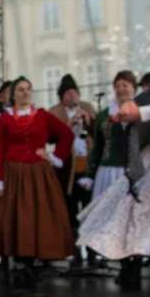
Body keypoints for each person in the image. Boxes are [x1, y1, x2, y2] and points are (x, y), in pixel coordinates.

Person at [0, 77, 75, 283]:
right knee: (16, 215)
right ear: (13, 94)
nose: (25, 93)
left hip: (38, 172)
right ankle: (19, 258)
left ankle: (40, 256)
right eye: (20, 90)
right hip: (13, 172)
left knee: (39, 213)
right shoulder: (5, 119)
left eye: (28, 89)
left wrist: (54, 156)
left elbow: (67, 134)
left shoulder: (42, 115)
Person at [78, 71, 150, 288]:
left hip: (133, 171)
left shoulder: (142, 111)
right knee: (114, 221)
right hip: (109, 171)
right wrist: (90, 174)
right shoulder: (104, 115)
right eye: (118, 86)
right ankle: (123, 265)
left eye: (125, 85)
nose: (121, 89)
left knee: (134, 219)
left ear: (133, 88)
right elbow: (98, 147)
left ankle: (136, 266)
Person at [47, 74, 97, 268]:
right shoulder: (55, 112)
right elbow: (50, 138)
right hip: (67, 169)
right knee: (70, 212)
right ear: (62, 96)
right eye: (68, 93)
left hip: (87, 164)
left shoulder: (88, 107)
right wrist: (67, 126)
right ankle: (75, 252)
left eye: (75, 92)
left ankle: (92, 253)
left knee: (90, 210)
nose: (72, 96)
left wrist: (88, 120)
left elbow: (101, 133)